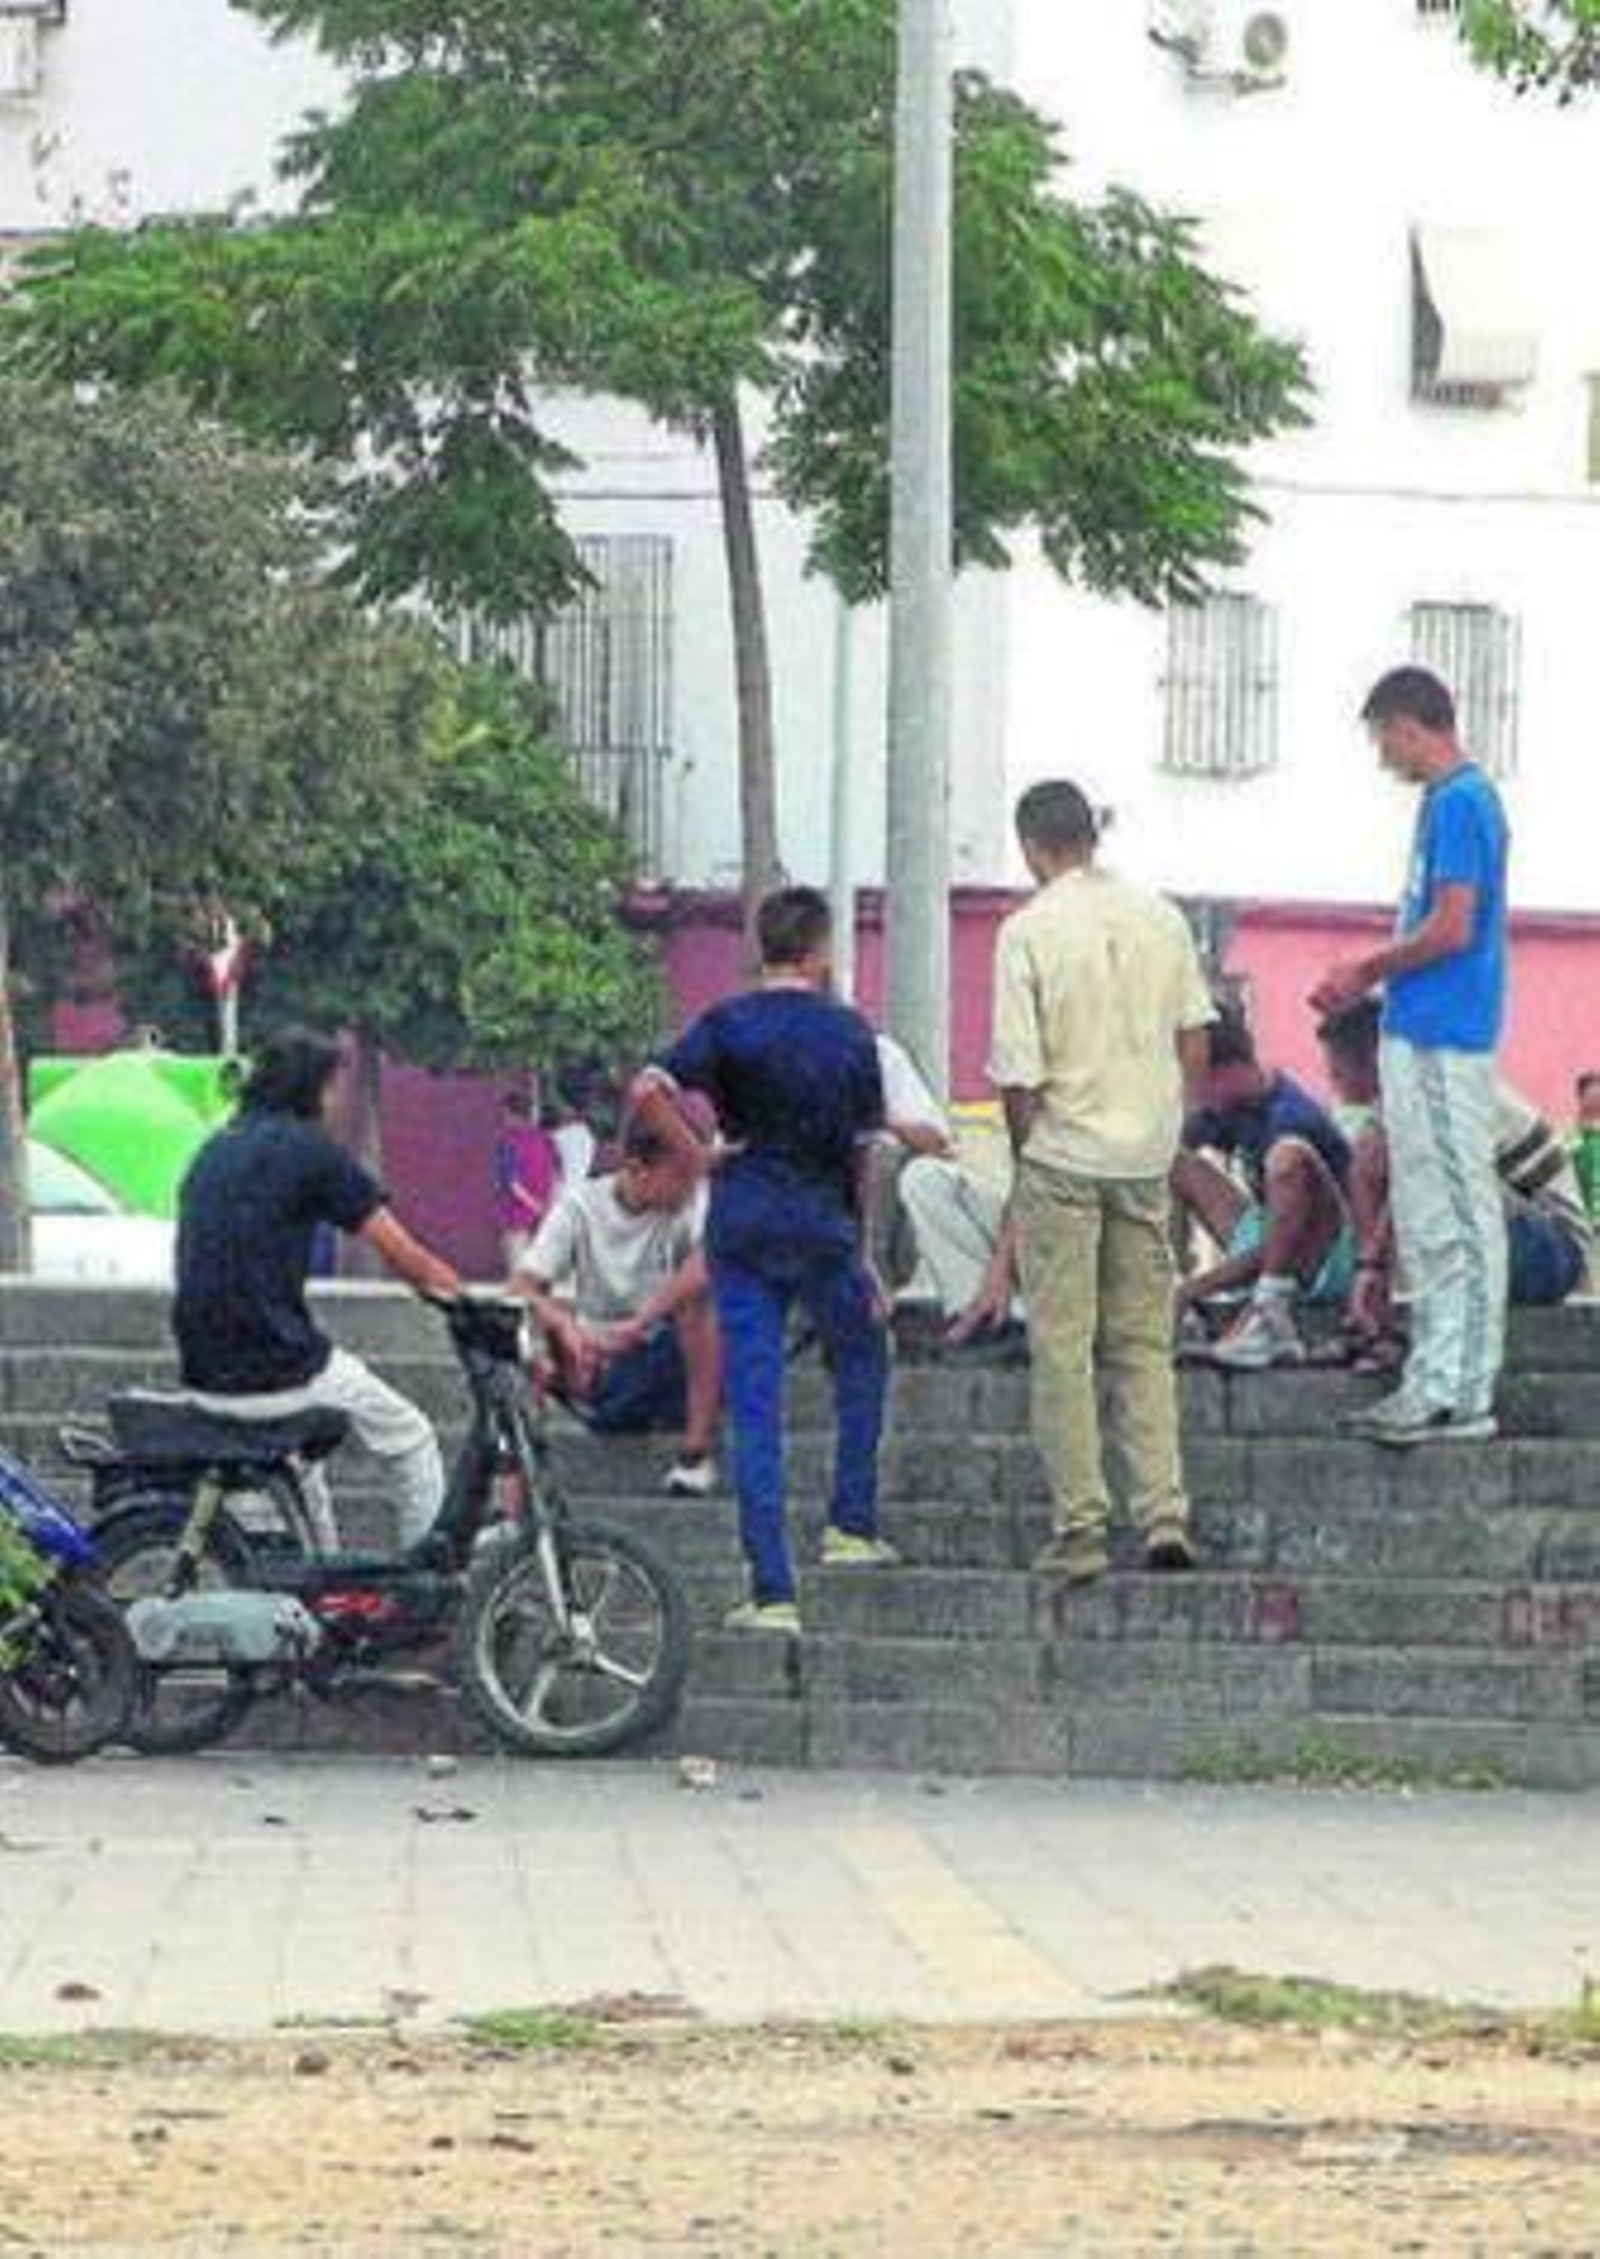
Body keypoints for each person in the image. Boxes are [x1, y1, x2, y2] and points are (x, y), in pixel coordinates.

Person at [631, 886, 895, 1634]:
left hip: (742, 1222)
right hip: (822, 1223)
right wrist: (864, 1254)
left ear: (763, 949)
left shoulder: (727, 1022)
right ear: (819, 951)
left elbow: (647, 1089)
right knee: (862, 1357)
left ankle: (772, 1590)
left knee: (755, 1402)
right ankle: (850, 1522)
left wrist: (699, 1154)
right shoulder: (850, 1034)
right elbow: (862, 1152)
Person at [990, 781, 1216, 1585]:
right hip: (1143, 1158)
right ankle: (1163, 1512)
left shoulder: (1026, 931)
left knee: (1063, 1346)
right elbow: (1195, 1037)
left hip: (1062, 1153)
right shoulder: (1163, 918)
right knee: (1144, 1342)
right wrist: (1166, 1124)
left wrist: (1028, 1151)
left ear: (1031, 846)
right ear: (1092, 834)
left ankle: (1081, 1524)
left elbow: (1018, 1070)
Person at [1312, 667, 1511, 1448]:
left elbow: (1453, 926)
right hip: (1423, 1029)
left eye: (1384, 738)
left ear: (1408, 724)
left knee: (1456, 1212)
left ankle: (1460, 1390)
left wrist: (1367, 968)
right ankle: (1433, 1378)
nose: (1384, 756)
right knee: (1428, 1213)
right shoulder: (1445, 803)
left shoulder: (1463, 801)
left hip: (1443, 1031)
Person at [173, 1028, 461, 1553]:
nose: (336, 1103)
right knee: (409, 1437)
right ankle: (433, 1577)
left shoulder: (214, 1149)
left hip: (203, 1372)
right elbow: (405, 1257)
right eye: (333, 1088)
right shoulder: (311, 1153)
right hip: (277, 1368)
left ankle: (319, 1582)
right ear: (314, 1089)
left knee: (304, 1471)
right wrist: (465, 1301)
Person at [1319, 1003, 1592, 1359]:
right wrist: (1369, 1267)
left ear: (1372, 1061)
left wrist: (1373, 1262)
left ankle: (1407, 1323)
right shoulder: (1391, 1110)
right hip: (1494, 1245)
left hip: (1551, 1253)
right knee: (1368, 1158)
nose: (1333, 1081)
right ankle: (1374, 1317)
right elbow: (1371, 1180)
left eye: (1337, 1070)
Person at [514, 1117, 722, 1498]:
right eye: (679, 1177)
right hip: (597, 1357)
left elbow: (709, 1262)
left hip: (660, 1348)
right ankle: (513, 1500)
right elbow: (523, 1286)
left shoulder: (688, 1203)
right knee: (517, 1338)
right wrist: (565, 1325)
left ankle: (694, 1451)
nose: (689, 1188)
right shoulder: (581, 1205)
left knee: (702, 1308)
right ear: (638, 1170)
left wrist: (640, 1322)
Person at [1172, 1010, 1354, 1370]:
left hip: (1320, 1257)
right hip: (1264, 1237)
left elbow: (1286, 1242)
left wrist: (1193, 1290)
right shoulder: (1229, 1106)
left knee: (1287, 1157)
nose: (1195, 1095)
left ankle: (1268, 1313)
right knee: (1166, 1159)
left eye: (1199, 1083)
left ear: (1227, 1073)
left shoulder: (1292, 1118)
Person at [494, 1088, 560, 1270]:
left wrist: (534, 1205)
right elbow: (556, 1176)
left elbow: (512, 1184)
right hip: (543, 1216)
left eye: (504, 1113)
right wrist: (547, 1207)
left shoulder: (508, 1141)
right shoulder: (546, 1139)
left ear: (508, 1113)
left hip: (515, 1216)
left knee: (518, 1271)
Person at [1574, 1072, 1600, 1225]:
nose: (1598, 1100)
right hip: (1584, 1215)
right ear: (1580, 1097)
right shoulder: (1572, 1134)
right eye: (1593, 1095)